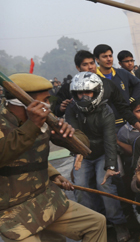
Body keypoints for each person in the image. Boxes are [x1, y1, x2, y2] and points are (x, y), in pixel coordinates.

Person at [0, 73, 106, 242]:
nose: (49, 105)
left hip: (46, 200)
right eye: (46, 100)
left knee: (96, 223)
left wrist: (67, 136)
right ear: (27, 104)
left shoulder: (42, 120)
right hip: (12, 213)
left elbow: (84, 146)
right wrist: (32, 125)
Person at [66, 72, 130, 242]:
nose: (84, 96)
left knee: (105, 186)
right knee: (80, 187)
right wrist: (78, 152)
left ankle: (118, 223)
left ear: (97, 92)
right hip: (83, 154)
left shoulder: (106, 111)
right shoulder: (72, 109)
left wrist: (110, 167)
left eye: (88, 92)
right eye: (80, 93)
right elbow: (74, 134)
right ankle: (93, 223)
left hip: (103, 153)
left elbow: (110, 141)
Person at [53, 50, 140, 132]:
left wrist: (138, 126)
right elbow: (55, 110)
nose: (90, 67)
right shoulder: (70, 86)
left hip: (111, 130)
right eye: (85, 64)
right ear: (78, 67)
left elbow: (123, 108)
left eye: (92, 63)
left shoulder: (107, 84)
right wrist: (61, 109)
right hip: (85, 134)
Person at [94, 44, 140, 129]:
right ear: (97, 59)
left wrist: (131, 99)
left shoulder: (122, 73)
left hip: (127, 122)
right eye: (104, 56)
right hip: (107, 125)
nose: (108, 59)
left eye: (110, 56)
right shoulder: (94, 78)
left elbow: (137, 83)